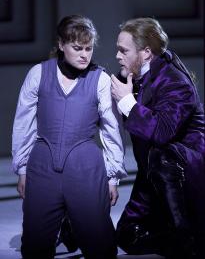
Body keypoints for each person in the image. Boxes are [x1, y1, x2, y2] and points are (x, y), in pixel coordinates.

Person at [12, 14, 127, 259]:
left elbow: (112, 130)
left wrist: (113, 177)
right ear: (61, 45)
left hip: (85, 166)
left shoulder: (101, 80)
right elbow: (23, 123)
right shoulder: (38, 74)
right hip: (43, 165)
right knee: (34, 246)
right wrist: (22, 168)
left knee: (99, 244)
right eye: (77, 48)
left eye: (88, 48)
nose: (84, 54)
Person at [111, 17, 205, 259]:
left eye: (124, 51)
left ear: (146, 52)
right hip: (153, 172)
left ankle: (187, 241)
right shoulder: (134, 79)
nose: (118, 56)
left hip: (184, 171)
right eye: (117, 50)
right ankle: (177, 239)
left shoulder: (174, 81)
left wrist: (127, 103)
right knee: (127, 235)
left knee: (161, 156)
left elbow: (163, 132)